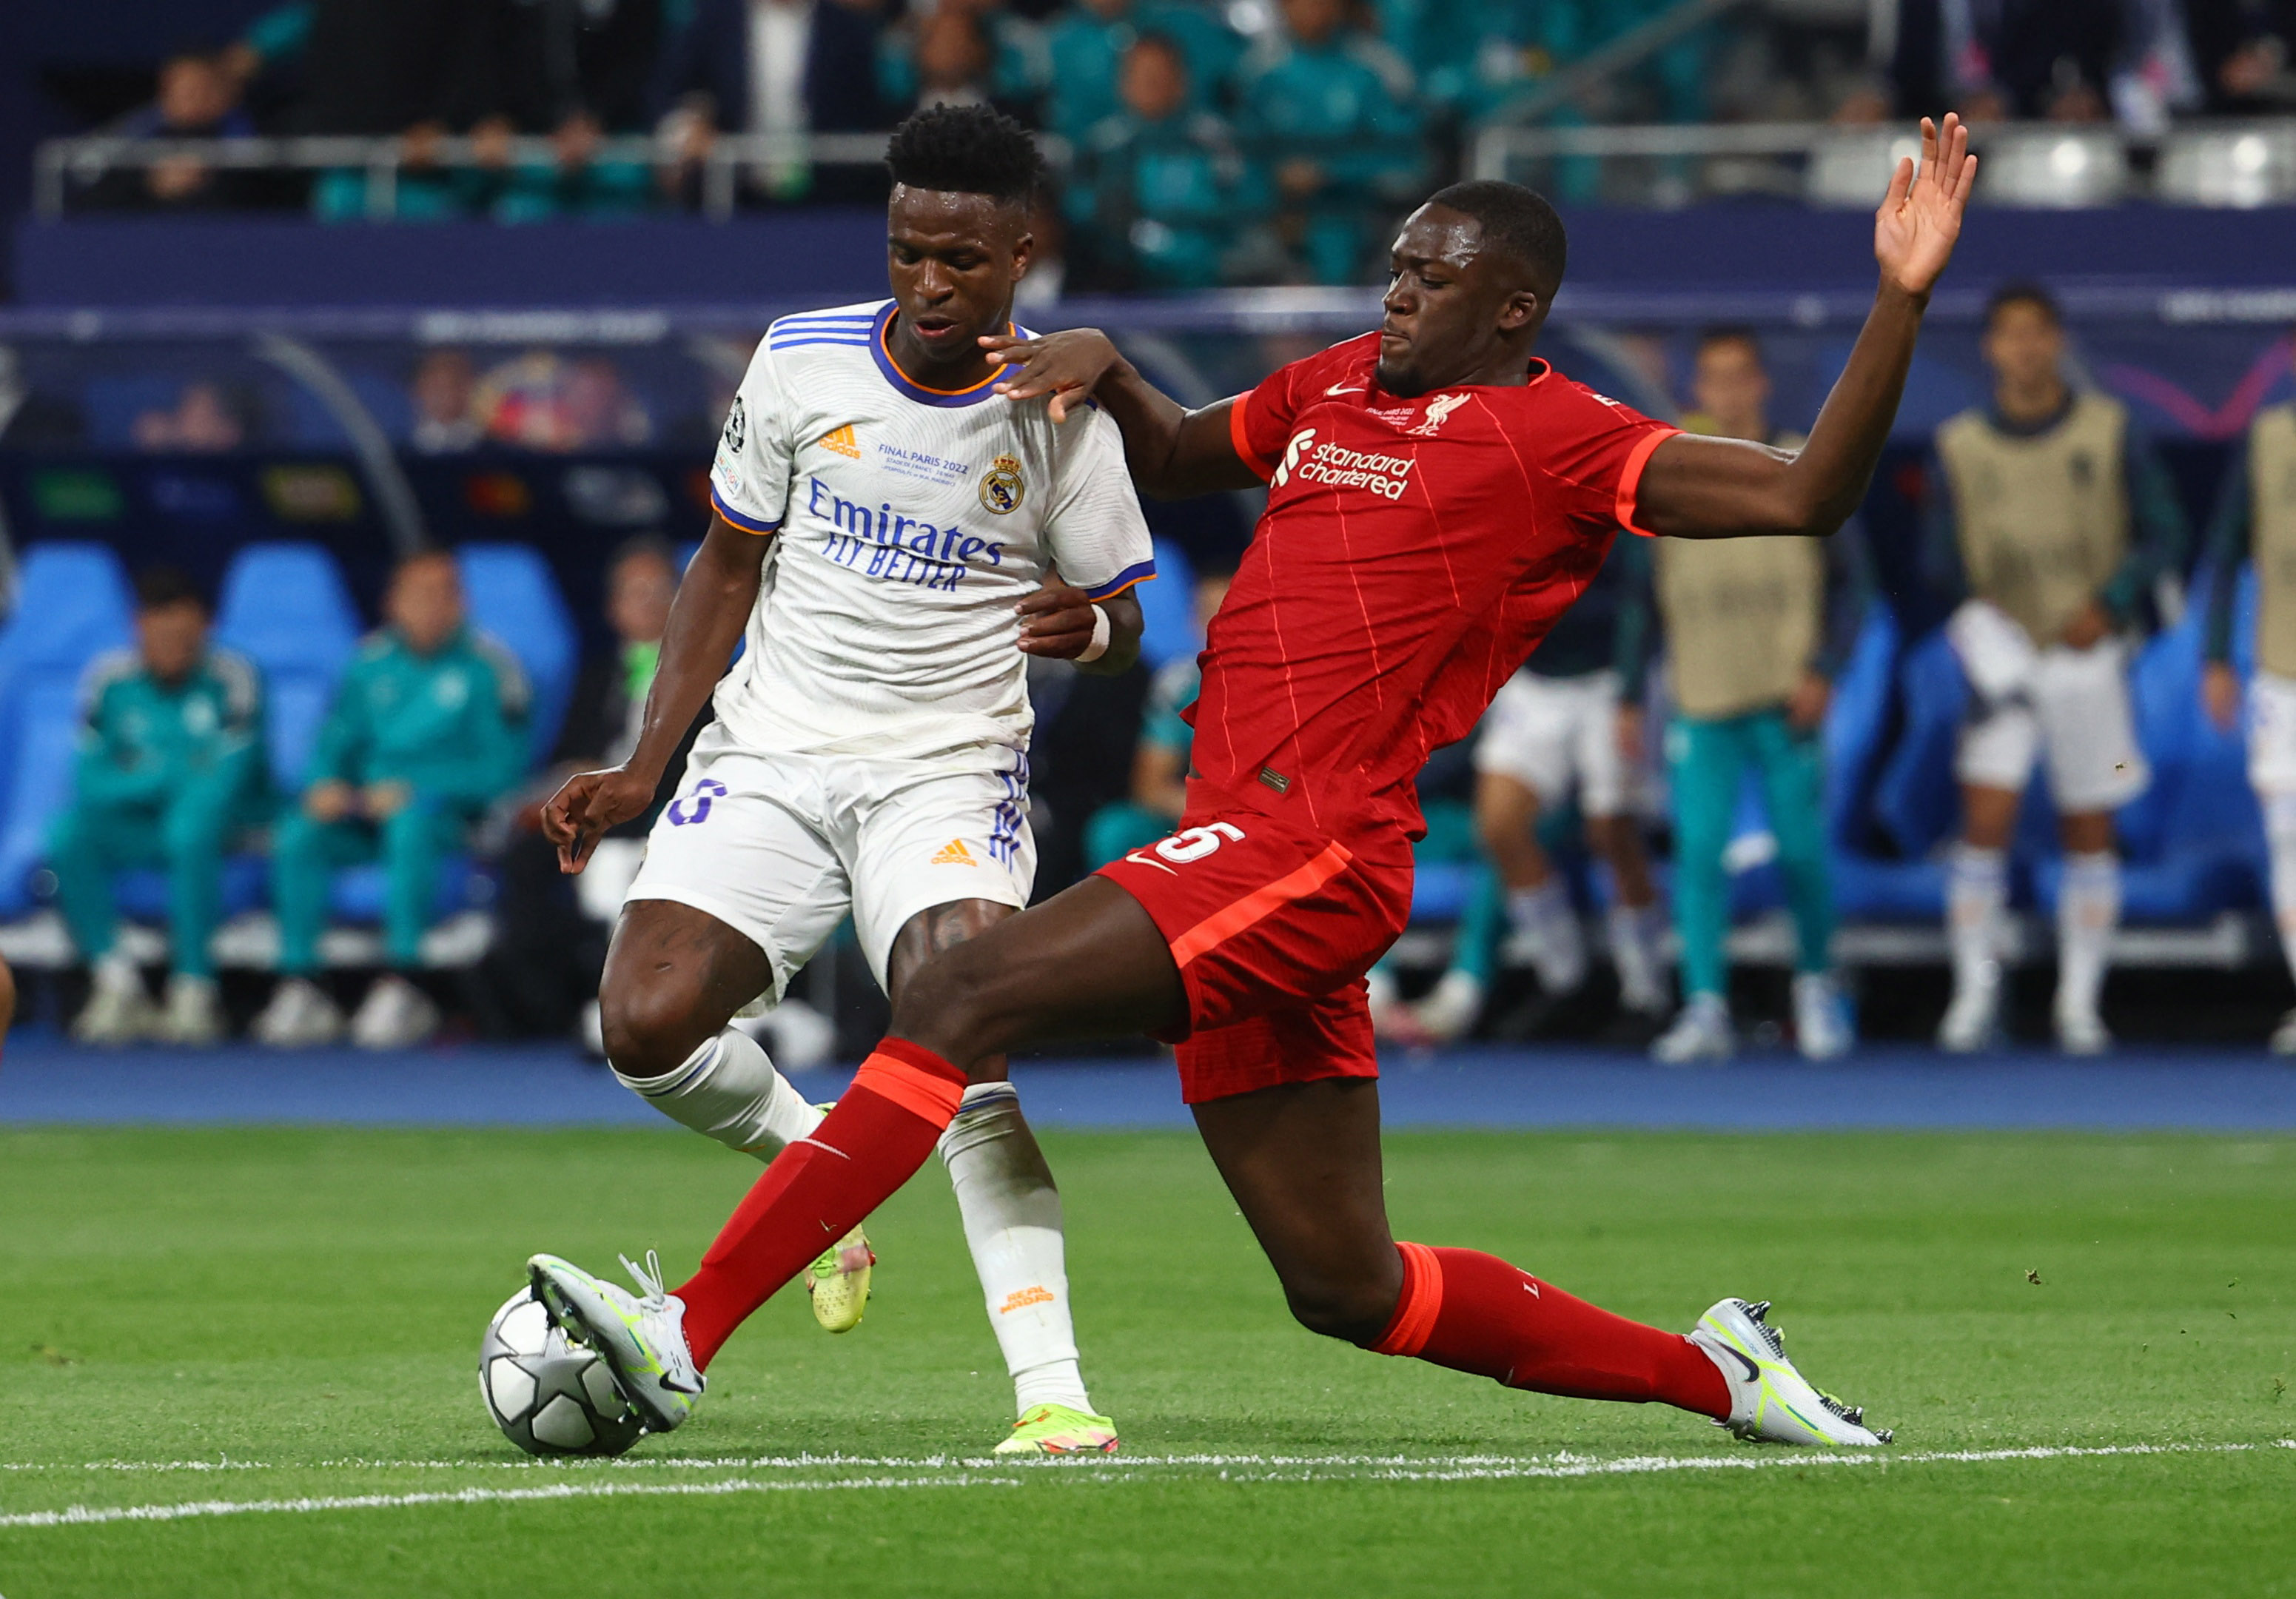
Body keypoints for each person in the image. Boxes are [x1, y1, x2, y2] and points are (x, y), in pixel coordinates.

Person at [528, 115, 1979, 1452]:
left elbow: (1803, 495)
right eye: (1397, 267)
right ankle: (1719, 1376)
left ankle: (685, 1333)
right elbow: (1173, 451)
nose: (1397, 294)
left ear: (1513, 310)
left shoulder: (1563, 441)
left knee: (957, 997)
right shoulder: (1333, 383)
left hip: (1316, 845)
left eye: (1432, 278)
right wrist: (1106, 360)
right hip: (1246, 851)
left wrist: (1900, 297)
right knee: (1348, 1287)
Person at [532, 106, 1155, 1456]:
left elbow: (1124, 620)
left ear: (1020, 253)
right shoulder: (802, 360)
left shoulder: (1059, 411)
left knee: (962, 1029)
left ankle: (1053, 1394)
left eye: (961, 260)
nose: (930, 282)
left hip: (944, 772)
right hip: (769, 750)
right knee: (642, 1024)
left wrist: (1091, 632)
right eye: (907, 252)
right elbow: (725, 564)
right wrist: (647, 761)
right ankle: (827, 1176)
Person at [1930, 281, 2189, 1055]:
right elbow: (1934, 560)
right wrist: (1981, 613)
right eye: (2010, 334)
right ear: (1990, 347)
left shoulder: (2110, 431)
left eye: (2038, 333)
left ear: (2058, 341)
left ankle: (2080, 1005)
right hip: (2002, 662)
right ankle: (1975, 995)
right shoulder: (1960, 446)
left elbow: (2163, 534)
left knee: (2088, 822)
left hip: (2088, 655)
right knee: (1985, 820)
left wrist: (2110, 601)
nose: (2025, 348)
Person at [1639, 329, 1868, 1065]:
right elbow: (1645, 592)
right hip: (1701, 693)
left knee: (1802, 853)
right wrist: (1624, 692)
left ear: (1762, 383)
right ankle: (1705, 1005)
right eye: (1714, 378)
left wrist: (1825, 668)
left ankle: (1815, 991)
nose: (1729, 392)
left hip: (1783, 691)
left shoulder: (1810, 462)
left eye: (1741, 377)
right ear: (1698, 389)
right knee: (1700, 853)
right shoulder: (1668, 468)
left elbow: (1854, 583)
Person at [253, 551, 531, 1050]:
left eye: (445, 593)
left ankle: (404, 982)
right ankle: (302, 985)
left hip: (446, 822)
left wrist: (421, 790)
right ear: (392, 603)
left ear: (461, 603)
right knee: (299, 831)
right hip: (364, 814)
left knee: (409, 823)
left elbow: (501, 772)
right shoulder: (368, 664)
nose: (432, 606)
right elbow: (333, 746)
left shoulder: (491, 668)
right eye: (418, 594)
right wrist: (324, 785)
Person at [50, 567, 267, 1046]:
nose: (172, 647)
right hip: (141, 827)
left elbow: (225, 783)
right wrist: (170, 774)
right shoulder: (109, 679)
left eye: (184, 637)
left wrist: (142, 773)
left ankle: (193, 988)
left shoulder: (234, 678)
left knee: (192, 827)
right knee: (70, 834)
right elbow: (90, 781)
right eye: (160, 634)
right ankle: (116, 983)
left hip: (225, 833)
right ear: (139, 628)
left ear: (205, 629)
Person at [1466, 534, 1668, 1040]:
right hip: (1536, 679)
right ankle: (1566, 981)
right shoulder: (1512, 484)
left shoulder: (1616, 489)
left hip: (1610, 682)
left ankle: (1648, 991)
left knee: (1612, 832)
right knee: (1499, 825)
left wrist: (1631, 690)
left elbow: (1642, 594)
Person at [2201, 332, 2296, 1050]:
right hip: (2282, 669)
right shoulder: (2268, 438)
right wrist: (2214, 657)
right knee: (2291, 841)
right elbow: (2229, 547)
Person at [1235, 0, 1423, 285]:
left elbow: (1404, 160)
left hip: (1363, 219)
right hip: (1277, 220)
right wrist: (1276, 182)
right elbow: (1240, 155)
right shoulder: (1256, 72)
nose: (1313, 8)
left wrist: (1329, 172)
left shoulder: (1375, 67)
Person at [1068, 33, 1266, 291]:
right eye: (1143, 75)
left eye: (1161, 74)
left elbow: (1250, 209)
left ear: (1182, 79)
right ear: (1123, 82)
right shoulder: (1101, 148)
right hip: (1127, 287)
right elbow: (1085, 220)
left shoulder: (1219, 143)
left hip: (1215, 285)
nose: (1153, 83)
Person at [1082, 562, 1233, 868]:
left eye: (1228, 615)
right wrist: (1213, 818)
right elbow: (1149, 786)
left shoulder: (1283, 687)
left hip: (1265, 815)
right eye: (1206, 614)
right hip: (1192, 811)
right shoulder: (1177, 685)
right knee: (1115, 829)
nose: (1215, 627)